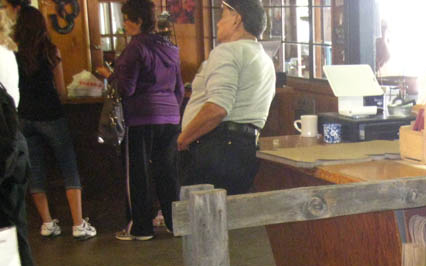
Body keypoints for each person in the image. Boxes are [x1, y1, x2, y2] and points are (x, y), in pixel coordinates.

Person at [96, 0, 183, 241]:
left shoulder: (135, 48)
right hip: (171, 117)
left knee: (138, 172)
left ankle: (141, 228)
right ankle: (176, 224)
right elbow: (179, 89)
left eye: (127, 19)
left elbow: (127, 87)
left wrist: (110, 76)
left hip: (142, 117)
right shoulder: (171, 48)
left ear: (139, 21)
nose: (124, 24)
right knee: (168, 172)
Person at [13, 4, 95, 240]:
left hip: (24, 117)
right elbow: (61, 91)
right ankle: (78, 224)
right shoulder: (51, 51)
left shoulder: (12, 55)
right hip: (51, 116)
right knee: (68, 166)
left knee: (35, 170)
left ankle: (47, 223)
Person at [177, 0, 274, 195]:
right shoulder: (264, 58)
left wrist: (183, 138)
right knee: (229, 218)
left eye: (222, 15)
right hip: (245, 149)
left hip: (217, 147)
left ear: (237, 19)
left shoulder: (228, 51)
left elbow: (217, 108)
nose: (219, 23)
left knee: (201, 219)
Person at [0, 2, 39, 266]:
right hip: (13, 147)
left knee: (4, 233)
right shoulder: (8, 56)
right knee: (12, 231)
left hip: (4, 146)